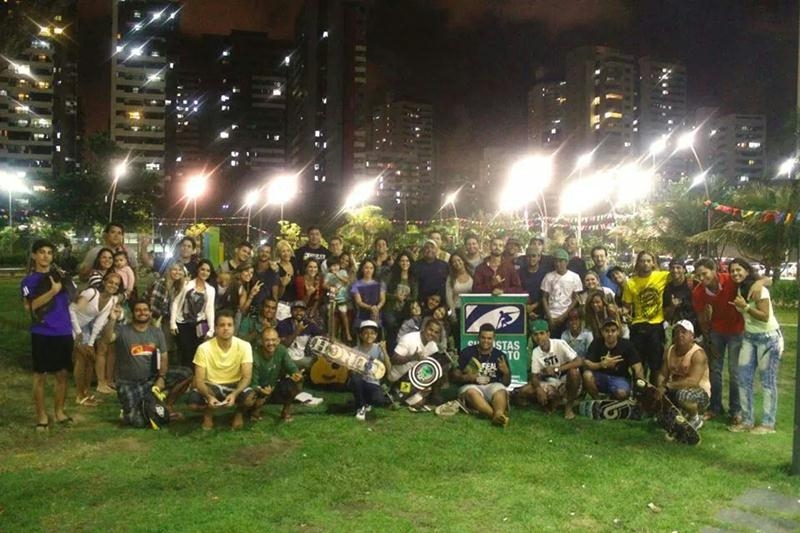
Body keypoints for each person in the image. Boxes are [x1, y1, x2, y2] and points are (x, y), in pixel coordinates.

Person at [691, 257, 760, 423]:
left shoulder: (730, 278)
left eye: (705, 273)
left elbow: (764, 280)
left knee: (734, 371)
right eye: (698, 275)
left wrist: (760, 283)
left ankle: (735, 410)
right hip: (717, 332)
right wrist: (708, 339)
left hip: (737, 330)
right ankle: (715, 407)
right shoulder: (699, 292)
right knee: (715, 371)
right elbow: (701, 317)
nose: (701, 278)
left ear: (714, 270)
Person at [104, 300, 193, 426]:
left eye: (145, 310)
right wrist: (112, 319)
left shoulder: (156, 332)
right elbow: (107, 339)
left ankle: (166, 407)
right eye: (138, 310)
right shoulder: (122, 330)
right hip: (128, 383)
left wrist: (161, 377)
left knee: (187, 373)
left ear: (150, 313)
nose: (142, 312)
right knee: (137, 422)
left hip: (151, 379)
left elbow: (164, 357)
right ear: (132, 314)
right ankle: (140, 410)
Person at [22, 239, 75, 430]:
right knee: (40, 376)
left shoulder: (61, 276)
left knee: (62, 374)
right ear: (34, 255)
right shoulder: (28, 281)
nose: (45, 256)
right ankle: (41, 416)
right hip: (42, 332)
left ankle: (59, 412)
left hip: (63, 331)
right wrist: (52, 292)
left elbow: (74, 300)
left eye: (49, 252)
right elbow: (29, 307)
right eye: (42, 252)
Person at [729, 258, 783, 434]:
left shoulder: (759, 290)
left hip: (768, 338)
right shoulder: (741, 288)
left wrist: (745, 307)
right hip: (749, 338)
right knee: (743, 379)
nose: (735, 273)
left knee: (767, 382)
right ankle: (747, 421)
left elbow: (765, 316)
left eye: (739, 270)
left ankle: (768, 424)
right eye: (732, 271)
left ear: (747, 270)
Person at [189, 311, 254, 430]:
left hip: (235, 385)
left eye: (229, 325)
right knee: (193, 404)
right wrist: (208, 397)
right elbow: (199, 380)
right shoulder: (203, 348)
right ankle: (208, 414)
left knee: (250, 399)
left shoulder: (245, 346)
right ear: (215, 328)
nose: (226, 328)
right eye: (222, 325)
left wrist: (234, 394)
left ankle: (238, 414)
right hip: (211, 385)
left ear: (234, 328)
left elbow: (247, 377)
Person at [70, 271, 122, 402]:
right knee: (81, 358)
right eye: (110, 282)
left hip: (84, 328)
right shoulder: (91, 293)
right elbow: (71, 309)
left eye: (116, 284)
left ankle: (86, 393)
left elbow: (98, 324)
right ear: (104, 282)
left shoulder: (111, 300)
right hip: (70, 324)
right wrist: (78, 332)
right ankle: (79, 396)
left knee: (90, 358)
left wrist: (91, 343)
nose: (113, 286)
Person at [516, 319, 583, 419]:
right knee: (525, 390)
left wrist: (558, 369)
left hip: (566, 381)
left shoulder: (559, 343)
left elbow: (579, 361)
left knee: (574, 373)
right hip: (551, 382)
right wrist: (539, 389)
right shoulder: (536, 352)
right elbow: (534, 375)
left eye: (542, 333)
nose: (539, 337)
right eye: (535, 335)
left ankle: (568, 407)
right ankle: (554, 400)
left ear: (548, 334)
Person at [622, 251, 669, 383]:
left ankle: (654, 396)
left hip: (656, 326)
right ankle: (640, 395)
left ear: (653, 263)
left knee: (656, 365)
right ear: (638, 263)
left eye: (648, 261)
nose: (646, 264)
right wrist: (622, 312)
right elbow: (627, 306)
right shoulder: (631, 283)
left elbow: (679, 277)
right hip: (638, 326)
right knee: (639, 365)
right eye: (642, 261)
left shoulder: (662, 276)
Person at [451, 324, 511, 427]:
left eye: (489, 338)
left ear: (493, 339)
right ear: (478, 337)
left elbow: (506, 383)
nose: (486, 341)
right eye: (483, 337)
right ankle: (495, 416)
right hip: (471, 386)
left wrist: (506, 372)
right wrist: (468, 377)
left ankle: (499, 414)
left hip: (492, 386)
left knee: (501, 391)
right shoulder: (467, 352)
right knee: (471, 392)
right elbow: (454, 377)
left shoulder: (499, 355)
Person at [656, 320, 710, 431]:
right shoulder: (669, 350)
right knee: (661, 418)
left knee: (682, 395)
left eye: (684, 332)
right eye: (677, 332)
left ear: (692, 336)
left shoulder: (698, 354)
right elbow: (662, 373)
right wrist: (660, 386)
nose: (680, 335)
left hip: (699, 393)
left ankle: (695, 418)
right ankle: (681, 414)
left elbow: (693, 382)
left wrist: (667, 386)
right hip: (676, 388)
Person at [248, 326, 303, 423]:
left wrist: (297, 375)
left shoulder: (282, 350)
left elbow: (292, 368)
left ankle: (285, 411)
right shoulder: (254, 355)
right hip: (259, 389)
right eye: (267, 340)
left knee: (297, 384)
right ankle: (254, 411)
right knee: (251, 397)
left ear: (278, 340)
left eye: (273, 340)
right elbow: (253, 383)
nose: (270, 343)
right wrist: (261, 391)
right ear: (261, 341)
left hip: (274, 387)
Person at [582, 318, 644, 400]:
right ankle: (598, 401)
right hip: (601, 377)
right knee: (587, 375)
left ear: (618, 332)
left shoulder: (626, 345)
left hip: (620, 378)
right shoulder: (596, 343)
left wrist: (640, 386)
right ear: (602, 332)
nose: (610, 334)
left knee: (622, 394)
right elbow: (586, 362)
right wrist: (601, 364)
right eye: (607, 331)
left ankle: (612, 399)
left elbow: (638, 366)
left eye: (613, 330)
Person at [170, 259, 216, 367]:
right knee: (185, 353)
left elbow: (209, 309)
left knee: (198, 353)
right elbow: (176, 302)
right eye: (202, 269)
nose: (205, 272)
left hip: (199, 324)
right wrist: (172, 323)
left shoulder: (211, 290)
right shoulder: (187, 284)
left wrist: (211, 328)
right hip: (182, 323)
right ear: (198, 270)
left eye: (208, 271)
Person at [388, 319, 444, 406]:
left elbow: (429, 369)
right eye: (430, 330)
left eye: (436, 332)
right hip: (399, 378)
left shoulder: (433, 346)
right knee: (419, 403)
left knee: (439, 368)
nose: (432, 334)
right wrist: (412, 357)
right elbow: (394, 360)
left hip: (415, 379)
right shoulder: (409, 338)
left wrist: (426, 385)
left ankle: (424, 395)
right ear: (424, 328)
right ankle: (395, 390)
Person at [79, 222, 152, 280]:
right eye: (113, 232)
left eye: (119, 233)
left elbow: (135, 275)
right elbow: (83, 277)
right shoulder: (95, 252)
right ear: (106, 235)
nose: (116, 235)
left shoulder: (129, 252)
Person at [350, 320, 391, 421]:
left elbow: (389, 369)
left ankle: (366, 402)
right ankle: (361, 407)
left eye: (372, 333)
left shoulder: (379, 348)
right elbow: (350, 372)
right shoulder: (355, 349)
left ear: (376, 335)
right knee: (355, 379)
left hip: (373, 382)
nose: (369, 335)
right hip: (359, 381)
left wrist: (385, 351)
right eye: (366, 333)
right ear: (360, 334)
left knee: (379, 401)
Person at [540, 248, 583, 339]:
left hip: (567, 316)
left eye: (561, 261)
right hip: (551, 314)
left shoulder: (574, 277)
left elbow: (576, 298)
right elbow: (544, 297)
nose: (558, 264)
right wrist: (549, 317)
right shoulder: (549, 276)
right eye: (555, 261)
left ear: (566, 262)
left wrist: (564, 315)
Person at [148, 260, 186, 361]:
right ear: (169, 270)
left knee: (168, 349)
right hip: (157, 320)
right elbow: (153, 304)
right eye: (174, 269)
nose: (177, 272)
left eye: (180, 270)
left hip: (168, 321)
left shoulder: (178, 285)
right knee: (159, 348)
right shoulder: (161, 283)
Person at [384, 251, 418, 351]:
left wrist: (405, 298)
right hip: (391, 309)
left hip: (405, 310)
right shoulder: (392, 276)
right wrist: (395, 296)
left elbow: (415, 296)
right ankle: (389, 353)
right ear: (398, 262)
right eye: (402, 261)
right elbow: (384, 293)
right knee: (391, 330)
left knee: (403, 334)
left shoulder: (413, 278)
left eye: (407, 261)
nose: (405, 263)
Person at [277, 300, 323, 369]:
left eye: (301, 310)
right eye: (295, 310)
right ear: (291, 311)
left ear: (305, 312)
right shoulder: (283, 324)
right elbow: (284, 345)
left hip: (302, 356)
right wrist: (296, 331)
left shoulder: (308, 324)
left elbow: (322, 336)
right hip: (287, 358)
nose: (298, 313)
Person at [445, 251, 473, 347]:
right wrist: (452, 313)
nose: (457, 263)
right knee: (459, 339)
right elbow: (449, 297)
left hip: (471, 310)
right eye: (454, 262)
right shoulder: (451, 278)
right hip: (457, 311)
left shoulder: (472, 274)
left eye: (459, 260)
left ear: (463, 260)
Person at [662, 258, 698, 332]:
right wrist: (672, 307)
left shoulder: (693, 284)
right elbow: (666, 316)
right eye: (672, 268)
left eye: (678, 268)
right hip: (677, 330)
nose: (675, 270)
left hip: (695, 328)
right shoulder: (668, 289)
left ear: (684, 270)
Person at [324, 255, 354, 343]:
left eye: (336, 265)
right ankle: (331, 334)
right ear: (329, 267)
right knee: (331, 315)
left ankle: (347, 332)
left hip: (342, 298)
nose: (335, 267)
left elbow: (346, 281)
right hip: (332, 298)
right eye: (332, 266)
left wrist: (337, 275)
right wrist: (330, 287)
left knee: (343, 314)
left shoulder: (343, 272)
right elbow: (324, 285)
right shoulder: (328, 275)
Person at [351, 259, 386, 331]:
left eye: (371, 268)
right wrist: (370, 308)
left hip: (376, 312)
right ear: (362, 269)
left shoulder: (380, 283)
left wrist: (376, 308)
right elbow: (359, 302)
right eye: (366, 268)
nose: (368, 270)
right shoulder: (356, 284)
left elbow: (382, 299)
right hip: (362, 313)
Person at [415, 239, 449, 303]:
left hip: (439, 303)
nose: (429, 250)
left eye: (432, 248)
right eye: (427, 248)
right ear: (423, 250)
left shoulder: (444, 265)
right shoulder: (416, 265)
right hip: (421, 302)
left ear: (436, 250)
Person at [519, 247, 547, 322]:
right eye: (528, 256)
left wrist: (534, 306)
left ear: (539, 257)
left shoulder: (545, 274)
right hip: (523, 310)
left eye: (534, 256)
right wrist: (528, 309)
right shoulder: (519, 273)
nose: (531, 258)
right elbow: (518, 291)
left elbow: (547, 294)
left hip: (542, 311)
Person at [295, 258, 323, 325]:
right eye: (310, 267)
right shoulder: (300, 280)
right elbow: (301, 304)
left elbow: (319, 299)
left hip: (314, 308)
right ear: (306, 268)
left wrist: (313, 311)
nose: (313, 269)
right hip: (300, 308)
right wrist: (308, 294)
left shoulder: (320, 280)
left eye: (315, 267)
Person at [274, 240, 296, 316]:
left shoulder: (295, 264)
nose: (286, 253)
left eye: (288, 251)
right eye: (283, 251)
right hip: (282, 305)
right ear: (278, 253)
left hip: (296, 305)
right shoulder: (276, 268)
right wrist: (283, 285)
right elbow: (277, 295)